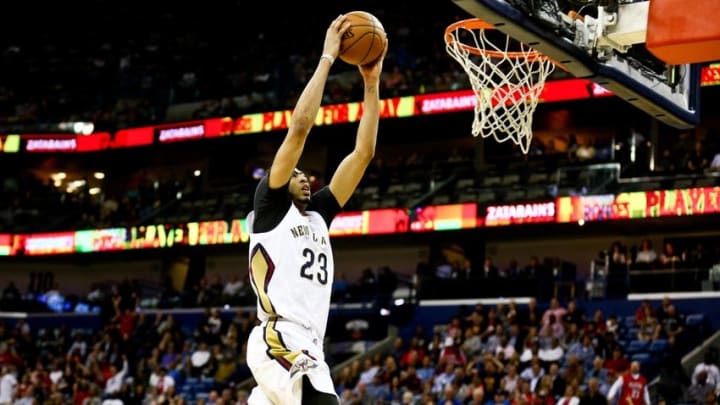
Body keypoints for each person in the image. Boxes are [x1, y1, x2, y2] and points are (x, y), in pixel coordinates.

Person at [244, 13, 387, 405]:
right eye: (296, 173)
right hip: (279, 339)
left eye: (307, 174)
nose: (305, 177)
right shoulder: (271, 207)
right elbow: (301, 128)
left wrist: (371, 85)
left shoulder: (318, 215)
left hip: (311, 345)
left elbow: (363, 153)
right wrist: (327, 58)